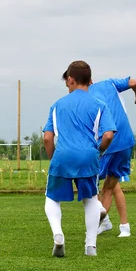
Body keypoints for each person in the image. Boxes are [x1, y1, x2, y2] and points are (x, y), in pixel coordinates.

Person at [43, 61, 116, 257]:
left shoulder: (57, 105)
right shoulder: (100, 105)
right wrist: (98, 151)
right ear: (89, 81)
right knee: (91, 199)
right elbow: (108, 135)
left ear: (71, 79)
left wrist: (54, 160)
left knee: (52, 198)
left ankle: (58, 235)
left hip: (62, 156)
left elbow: (47, 137)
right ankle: (90, 246)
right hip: (88, 157)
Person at [62, 72, 136, 237]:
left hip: (105, 144)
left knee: (89, 184)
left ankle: (103, 224)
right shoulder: (110, 84)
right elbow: (135, 82)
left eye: (68, 85)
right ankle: (116, 225)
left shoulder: (82, 101)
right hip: (126, 141)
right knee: (110, 187)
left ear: (73, 82)